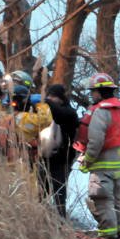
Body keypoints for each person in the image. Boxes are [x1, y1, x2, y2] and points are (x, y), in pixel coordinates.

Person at [73, 72, 120, 239]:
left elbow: (96, 140)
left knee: (102, 199)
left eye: (93, 92)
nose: (91, 95)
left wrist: (88, 159)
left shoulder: (100, 112)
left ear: (99, 92)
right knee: (118, 200)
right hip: (118, 167)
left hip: (101, 167)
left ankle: (108, 235)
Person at [43, 84, 79, 218]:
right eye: (48, 96)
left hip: (62, 159)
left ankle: (61, 221)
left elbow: (59, 115)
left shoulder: (69, 113)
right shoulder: (45, 112)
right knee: (40, 191)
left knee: (59, 192)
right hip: (45, 158)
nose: (49, 99)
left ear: (61, 98)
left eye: (53, 96)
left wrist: (45, 101)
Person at [0, 84, 53, 165]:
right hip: (21, 163)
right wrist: (41, 104)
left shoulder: (0, 116)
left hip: (1, 160)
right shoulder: (24, 118)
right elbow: (46, 120)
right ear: (25, 101)